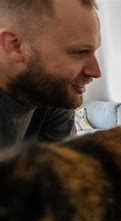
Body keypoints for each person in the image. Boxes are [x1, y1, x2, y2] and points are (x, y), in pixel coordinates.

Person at [0, 0, 101, 150]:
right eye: (80, 52)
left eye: (93, 51)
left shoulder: (54, 95)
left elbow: (57, 169)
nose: (96, 71)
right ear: (16, 46)